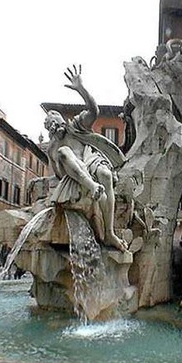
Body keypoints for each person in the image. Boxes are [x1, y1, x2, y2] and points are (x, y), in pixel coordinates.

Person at [44, 65, 127, 252]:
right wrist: (57, 156)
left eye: (56, 123)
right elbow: (58, 175)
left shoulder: (77, 126)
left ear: (62, 121)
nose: (55, 127)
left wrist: (81, 89)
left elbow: (94, 110)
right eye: (51, 126)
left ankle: (110, 233)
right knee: (64, 152)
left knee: (105, 174)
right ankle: (93, 187)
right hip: (74, 174)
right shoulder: (53, 148)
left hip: (91, 160)